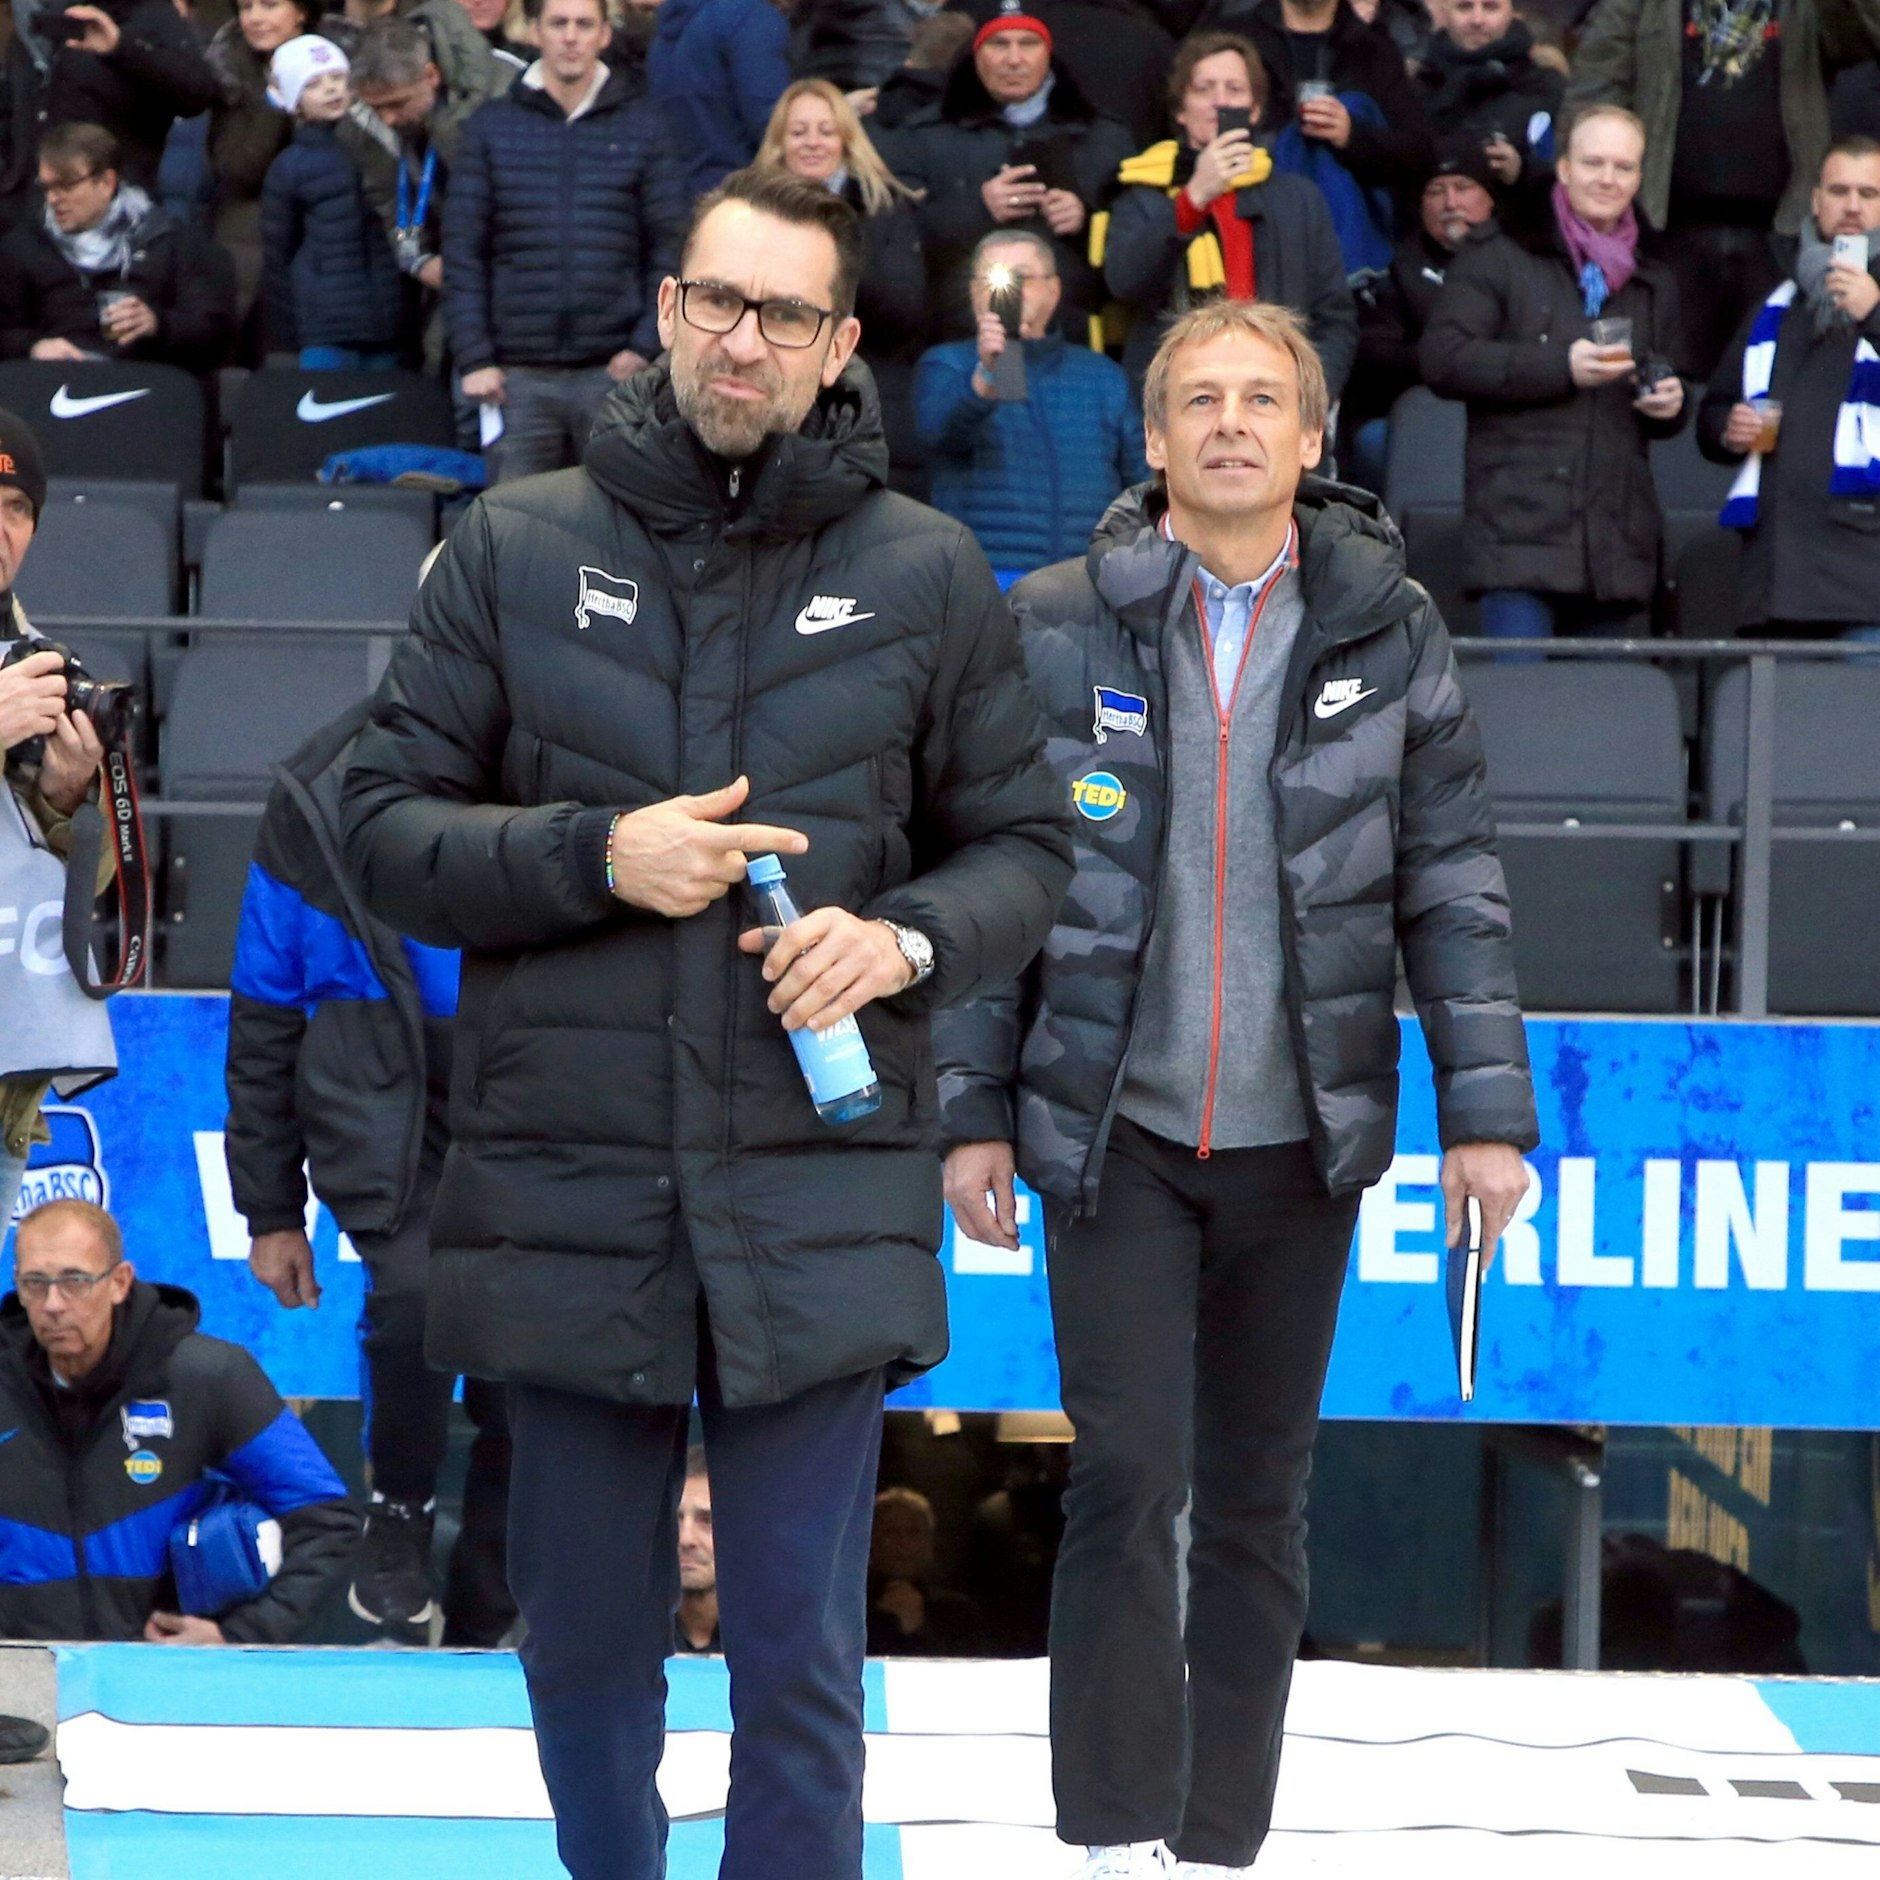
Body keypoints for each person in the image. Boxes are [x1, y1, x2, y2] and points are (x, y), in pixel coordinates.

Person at [340, 166, 1073, 1880]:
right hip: (569, 1199)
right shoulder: (515, 543)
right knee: (584, 1653)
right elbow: (377, 828)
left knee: (800, 1665)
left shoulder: (930, 571)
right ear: (667, 312)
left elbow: (1030, 852)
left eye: (788, 315)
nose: (746, 339)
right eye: (718, 302)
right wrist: (601, 854)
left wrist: (899, 947)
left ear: (839, 350)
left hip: (815, 1200)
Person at [937, 297, 1538, 1880]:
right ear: (1150, 440)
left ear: (1313, 436)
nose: (1227, 424)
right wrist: (971, 1103)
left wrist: (1485, 1113)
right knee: (1130, 1480)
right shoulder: (1055, 615)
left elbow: (1452, 880)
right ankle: (1111, 1835)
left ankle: (1218, 1847)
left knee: (1262, 1502)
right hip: (1114, 1127)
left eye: (1259, 400)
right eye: (1195, 399)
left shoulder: (1388, 621)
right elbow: (997, 868)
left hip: (1301, 1137)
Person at [224, 702, 514, 1650]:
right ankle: (396, 1519)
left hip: (539, 1078)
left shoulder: (583, 747)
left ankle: (501, 1576)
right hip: (382, 1099)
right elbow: (265, 1008)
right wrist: (272, 1208)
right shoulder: (316, 789)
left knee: (537, 1336)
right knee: (422, 1292)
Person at [0, 1199, 360, 1642]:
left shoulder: (208, 1376)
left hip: (170, 1684)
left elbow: (326, 1519)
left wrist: (238, 1638)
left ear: (119, 1282)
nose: (53, 1304)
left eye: (75, 1281)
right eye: (35, 1283)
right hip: (21, 1688)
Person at [1419, 104, 1688, 639]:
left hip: (1617, 540)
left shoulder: (1655, 274)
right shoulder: (1498, 252)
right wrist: (1559, 365)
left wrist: (1672, 404)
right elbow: (1443, 358)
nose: (1608, 179)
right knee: (1520, 712)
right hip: (1518, 532)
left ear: (1639, 175)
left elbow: (1663, 378)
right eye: (1593, 163)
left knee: (1614, 720)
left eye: (1623, 167)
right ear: (1563, 168)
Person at [1563, 0, 1880, 378]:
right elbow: (1595, 87)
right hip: (1666, 230)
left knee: (1767, 380)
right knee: (1661, 379)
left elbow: (1862, 33)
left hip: (1781, 234)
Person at [443, 0, 689, 482]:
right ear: (535, 32)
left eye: (584, 24)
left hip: (617, 374)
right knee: (516, 537)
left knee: (621, 533)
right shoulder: (491, 127)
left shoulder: (645, 127)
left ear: (604, 35)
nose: (571, 36)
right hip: (515, 382)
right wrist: (475, 356)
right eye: (558, 24)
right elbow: (463, 251)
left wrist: (644, 347)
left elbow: (671, 245)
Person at [1102, 32, 1356, 400]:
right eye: (1204, 89)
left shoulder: (1299, 198)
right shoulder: (1142, 193)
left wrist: (1310, 396)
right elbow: (1125, 283)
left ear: (1254, 109)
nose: (1220, 101)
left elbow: (1335, 317)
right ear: (1180, 110)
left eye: (1235, 89)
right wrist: (1194, 197)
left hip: (1280, 401)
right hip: (1181, 403)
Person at [1699, 137, 1880, 636]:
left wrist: (1875, 315)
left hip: (1867, 582)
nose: (1852, 206)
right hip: (1777, 576)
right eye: (1839, 190)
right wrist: (1728, 429)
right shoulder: (1777, 299)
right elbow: (1714, 409)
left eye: (1868, 193)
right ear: (1816, 200)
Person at [0, 412, 108, 1244]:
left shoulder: (37, 665)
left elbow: (89, 890)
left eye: (17, 507)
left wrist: (69, 800)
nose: (0, 527)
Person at [879, 6, 1135, 340]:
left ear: (1049, 53)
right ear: (976, 54)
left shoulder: (1102, 135)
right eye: (999, 44)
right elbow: (893, 247)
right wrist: (977, 208)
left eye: (1028, 43)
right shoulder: (922, 136)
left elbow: (1138, 247)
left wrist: (1085, 220)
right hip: (958, 340)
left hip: (1074, 340)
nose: (1014, 59)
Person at [918, 228, 1151, 572]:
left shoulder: (1101, 375)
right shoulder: (949, 364)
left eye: (1022, 278)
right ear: (972, 292)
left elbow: (1141, 480)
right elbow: (941, 434)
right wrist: (986, 374)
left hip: (1086, 580)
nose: (1011, 291)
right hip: (987, 579)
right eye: (995, 278)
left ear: (1053, 289)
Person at [753, 77, 929, 484]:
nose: (812, 142)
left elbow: (907, 309)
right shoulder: (749, 214)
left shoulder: (885, 207)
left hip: (867, 393)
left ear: (847, 140)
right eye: (798, 132)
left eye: (826, 131)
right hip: (774, 398)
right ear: (779, 142)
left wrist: (832, 259)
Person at [1201, 0, 1434, 278]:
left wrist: (1352, 136)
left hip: (1346, 251)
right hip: (1244, 227)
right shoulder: (1231, 38)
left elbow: (1418, 154)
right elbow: (1189, 118)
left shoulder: (1373, 50)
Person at [0, 120, 236, 369]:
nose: (53, 198)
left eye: (66, 186)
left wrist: (159, 324)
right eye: (47, 187)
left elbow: (216, 328)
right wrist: (33, 346)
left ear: (106, 183)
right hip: (49, 384)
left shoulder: (172, 242)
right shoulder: (23, 248)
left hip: (146, 382)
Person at [1341, 137, 1500, 487]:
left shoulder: (1520, 265)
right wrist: (1451, 360)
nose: (1451, 203)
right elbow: (1375, 353)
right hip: (1418, 419)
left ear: (1490, 198)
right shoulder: (1395, 268)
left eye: (1463, 187)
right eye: (1436, 191)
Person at [0, 0, 221, 234]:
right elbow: (14, 109)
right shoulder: (39, 14)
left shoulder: (151, 14)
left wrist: (121, 47)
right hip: (31, 211)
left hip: (112, 212)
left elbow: (198, 91)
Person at [261, 37, 407, 365]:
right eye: (313, 84)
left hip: (389, 321)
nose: (331, 89)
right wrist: (289, 334)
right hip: (325, 328)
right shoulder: (289, 167)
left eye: (338, 77)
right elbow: (278, 256)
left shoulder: (383, 145)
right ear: (294, 101)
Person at [208, 0, 323, 318]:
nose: (254, 18)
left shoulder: (337, 67)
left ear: (302, 11)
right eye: (245, 7)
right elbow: (239, 168)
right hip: (248, 233)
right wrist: (275, 97)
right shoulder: (229, 73)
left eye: (269, 5)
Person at [645, 0, 790, 196]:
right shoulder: (749, 18)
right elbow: (774, 126)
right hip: (749, 199)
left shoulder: (661, 40)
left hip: (685, 200)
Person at [1413, 0, 1563, 189]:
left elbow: (1570, 168)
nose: (1477, 20)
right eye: (1464, 7)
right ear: (1445, 11)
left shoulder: (1546, 85)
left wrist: (1522, 170)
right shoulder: (1416, 87)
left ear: (1512, 13)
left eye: (1490, 7)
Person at [866, 1484, 984, 1655]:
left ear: (930, 1542)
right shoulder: (846, 1610)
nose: (903, 1543)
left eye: (913, 1532)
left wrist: (917, 1630)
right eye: (890, 1532)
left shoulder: (960, 1614)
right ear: (870, 1540)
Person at [675, 1447, 719, 1653]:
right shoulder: (625, 1638)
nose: (685, 1538)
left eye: (707, 1520)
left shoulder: (779, 1641)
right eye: (675, 1518)